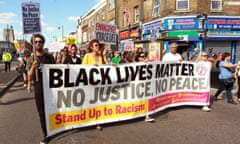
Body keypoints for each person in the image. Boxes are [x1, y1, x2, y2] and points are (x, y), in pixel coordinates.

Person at [26, 34, 55, 144]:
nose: (38, 43)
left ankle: (54, 128)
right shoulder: (31, 59)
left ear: (43, 43)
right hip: (39, 88)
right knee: (42, 112)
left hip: (51, 88)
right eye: (36, 42)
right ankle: (46, 133)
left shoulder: (49, 57)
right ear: (33, 44)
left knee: (52, 109)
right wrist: (33, 67)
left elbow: (57, 70)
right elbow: (29, 76)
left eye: (40, 41)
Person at [82, 39, 108, 130]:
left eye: (98, 45)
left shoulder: (101, 56)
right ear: (91, 47)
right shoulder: (87, 56)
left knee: (99, 103)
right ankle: (89, 119)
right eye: (96, 45)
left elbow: (106, 67)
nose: (98, 47)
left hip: (100, 84)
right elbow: (82, 68)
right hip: (90, 83)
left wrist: (105, 57)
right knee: (91, 103)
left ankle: (97, 121)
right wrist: (91, 67)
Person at [135, 51, 155, 122]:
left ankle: (147, 116)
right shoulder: (134, 64)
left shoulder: (146, 64)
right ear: (138, 58)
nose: (143, 58)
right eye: (141, 56)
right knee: (138, 100)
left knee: (146, 99)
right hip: (136, 85)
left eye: (144, 56)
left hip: (145, 85)